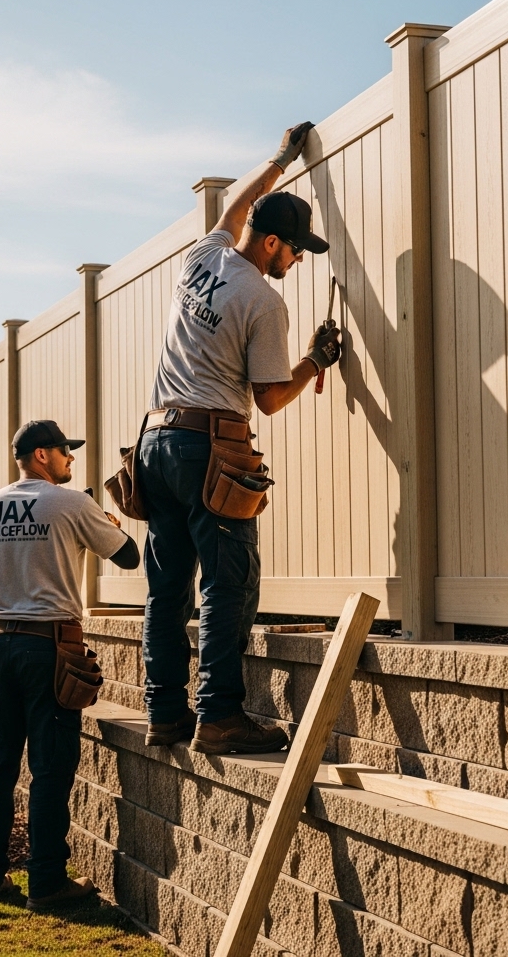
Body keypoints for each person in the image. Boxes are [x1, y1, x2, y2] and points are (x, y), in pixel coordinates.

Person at [139, 122, 342, 756]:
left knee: (166, 589)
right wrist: (315, 360)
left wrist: (282, 159)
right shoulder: (263, 301)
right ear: (273, 243)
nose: (299, 260)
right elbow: (270, 400)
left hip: (153, 445)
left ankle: (165, 714)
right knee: (228, 583)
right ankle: (221, 717)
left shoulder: (205, 258)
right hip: (209, 450)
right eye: (297, 250)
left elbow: (236, 206)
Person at [0, 419, 141, 909]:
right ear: (42, 455)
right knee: (49, 768)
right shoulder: (71, 502)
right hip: (49, 648)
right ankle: (46, 883)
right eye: (66, 451)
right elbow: (128, 558)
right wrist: (106, 526)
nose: (71, 459)